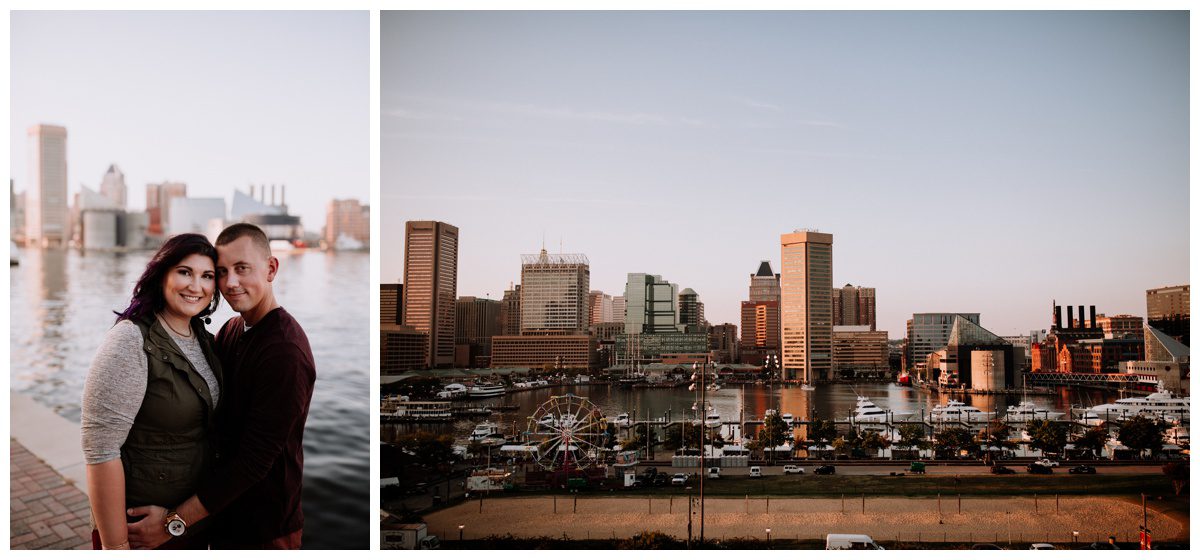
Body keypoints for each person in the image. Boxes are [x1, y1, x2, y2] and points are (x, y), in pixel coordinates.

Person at [127, 223, 316, 549]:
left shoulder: (285, 351)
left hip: (264, 529)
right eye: (222, 271)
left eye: (242, 269)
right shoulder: (231, 330)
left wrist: (173, 522)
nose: (230, 283)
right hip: (222, 516)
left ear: (271, 269)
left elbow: (253, 461)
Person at [81, 233, 223, 550]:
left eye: (207, 276)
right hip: (140, 529)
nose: (195, 286)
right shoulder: (130, 340)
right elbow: (101, 450)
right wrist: (116, 547)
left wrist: (187, 517)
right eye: (184, 272)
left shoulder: (201, 337)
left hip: (183, 521)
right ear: (162, 275)